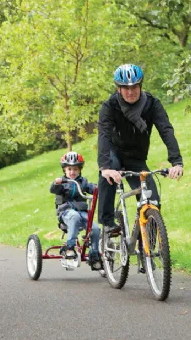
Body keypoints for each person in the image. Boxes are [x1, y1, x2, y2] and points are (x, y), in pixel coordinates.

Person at [97, 63, 184, 236]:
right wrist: (105, 167)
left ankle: (148, 252)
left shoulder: (152, 104)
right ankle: (107, 222)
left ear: (140, 85)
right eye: (125, 88)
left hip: (137, 158)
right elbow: (104, 134)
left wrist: (177, 162)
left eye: (134, 87)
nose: (130, 92)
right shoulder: (110, 106)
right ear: (118, 88)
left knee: (153, 201)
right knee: (107, 174)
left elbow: (166, 130)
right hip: (115, 154)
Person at [50, 151, 102, 270]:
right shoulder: (62, 183)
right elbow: (53, 190)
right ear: (64, 170)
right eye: (69, 169)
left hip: (82, 212)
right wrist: (56, 183)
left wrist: (99, 188)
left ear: (79, 170)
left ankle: (94, 255)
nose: (72, 172)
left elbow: (92, 188)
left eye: (75, 169)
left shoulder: (83, 182)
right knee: (74, 216)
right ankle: (69, 247)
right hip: (66, 212)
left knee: (95, 228)